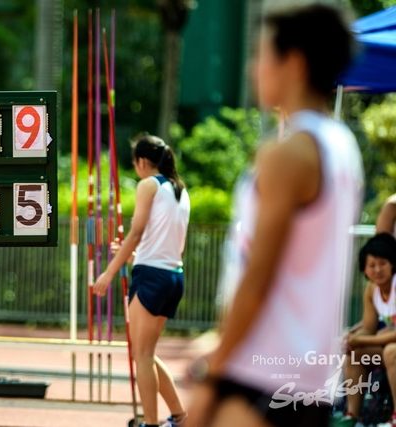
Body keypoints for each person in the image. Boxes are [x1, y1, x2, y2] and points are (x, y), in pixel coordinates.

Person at [185, 4, 363, 427]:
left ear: (295, 63)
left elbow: (259, 274)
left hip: (259, 372)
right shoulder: (342, 146)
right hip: (307, 378)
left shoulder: (288, 154)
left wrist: (213, 370)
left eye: (262, 55)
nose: (253, 68)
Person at [93, 133, 191, 427]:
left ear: (142, 161)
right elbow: (171, 244)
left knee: (142, 355)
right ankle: (179, 416)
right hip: (173, 276)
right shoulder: (180, 190)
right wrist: (134, 257)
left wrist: (110, 272)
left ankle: (150, 423)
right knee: (146, 353)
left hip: (152, 277)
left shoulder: (148, 185)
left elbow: (135, 233)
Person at [343, 233, 396, 425]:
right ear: (364, 270)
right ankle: (352, 417)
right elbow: (369, 328)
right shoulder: (371, 290)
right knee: (354, 353)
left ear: (393, 265)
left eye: (383, 263)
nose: (377, 270)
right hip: (388, 345)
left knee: (392, 351)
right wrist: (352, 339)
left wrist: (362, 339)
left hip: (392, 349)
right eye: (371, 265)